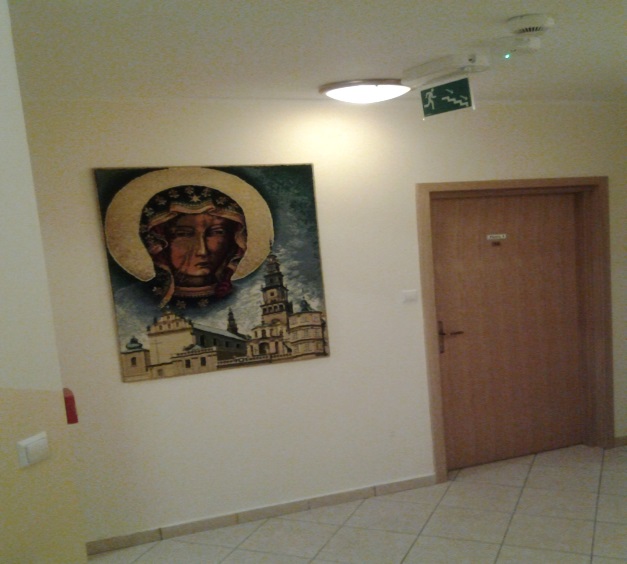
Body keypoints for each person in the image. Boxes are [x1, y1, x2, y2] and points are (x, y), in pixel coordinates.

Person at [139, 185, 247, 308]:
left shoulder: (247, 297)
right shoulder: (136, 298)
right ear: (158, 241)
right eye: (183, 234)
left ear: (234, 239)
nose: (202, 251)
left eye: (217, 232)